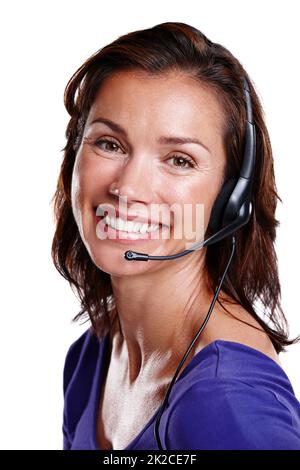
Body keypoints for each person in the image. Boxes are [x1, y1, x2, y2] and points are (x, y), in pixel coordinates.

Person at [51, 22, 300, 450]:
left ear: (229, 198)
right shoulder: (91, 357)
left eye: (179, 160)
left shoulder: (225, 399)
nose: (127, 188)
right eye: (110, 144)